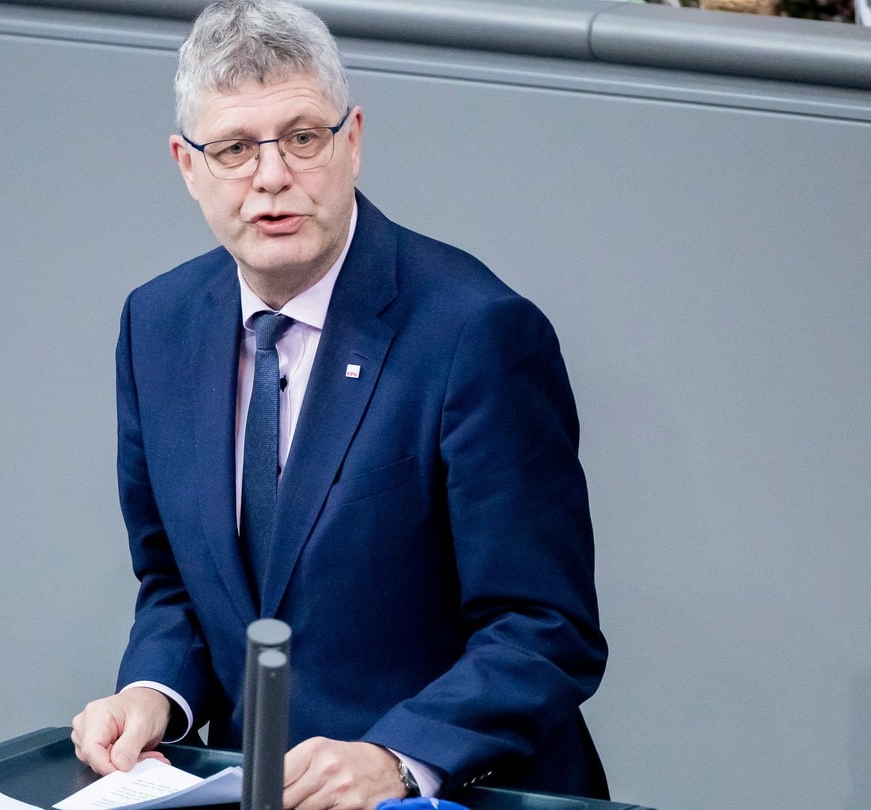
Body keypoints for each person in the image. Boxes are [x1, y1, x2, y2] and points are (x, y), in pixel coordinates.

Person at [71, 1, 607, 806]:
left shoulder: (477, 332)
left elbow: (542, 628)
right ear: (188, 166)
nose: (272, 176)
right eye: (235, 149)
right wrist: (157, 694)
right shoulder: (157, 325)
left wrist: (397, 756)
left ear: (352, 140)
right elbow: (179, 585)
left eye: (301, 137)